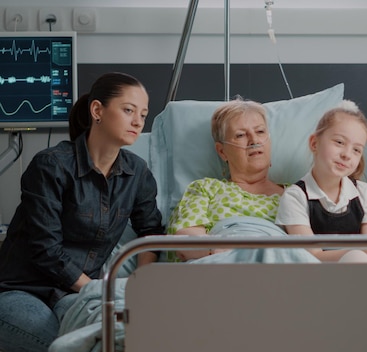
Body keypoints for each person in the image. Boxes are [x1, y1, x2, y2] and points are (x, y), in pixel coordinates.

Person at [0, 72, 165, 352]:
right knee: (60, 345)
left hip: (74, 294)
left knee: (113, 338)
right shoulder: (51, 166)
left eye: (144, 114)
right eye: (128, 110)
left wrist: (138, 287)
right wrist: (97, 290)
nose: (138, 121)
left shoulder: (137, 173)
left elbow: (150, 231)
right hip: (23, 289)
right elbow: (46, 250)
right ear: (97, 110)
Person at [167, 98, 317, 263]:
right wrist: (224, 251)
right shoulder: (205, 188)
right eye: (240, 135)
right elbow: (185, 238)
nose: (254, 141)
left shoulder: (296, 195)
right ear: (222, 151)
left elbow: (314, 251)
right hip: (222, 266)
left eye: (260, 132)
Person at [275, 100, 367, 263]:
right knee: (356, 257)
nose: (347, 154)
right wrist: (360, 252)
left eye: (356, 150)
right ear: (314, 143)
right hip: (322, 277)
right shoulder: (295, 197)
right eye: (339, 142)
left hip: (365, 269)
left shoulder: (364, 192)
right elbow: (313, 256)